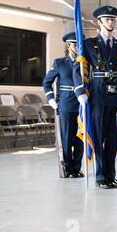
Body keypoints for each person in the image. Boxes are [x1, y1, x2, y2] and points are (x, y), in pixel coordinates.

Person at [74, 6, 117, 189]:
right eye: (107, 19)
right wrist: (80, 92)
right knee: (100, 136)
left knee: (113, 139)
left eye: (112, 19)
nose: (110, 22)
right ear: (99, 22)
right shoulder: (89, 44)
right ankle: (101, 175)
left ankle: (111, 174)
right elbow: (78, 69)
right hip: (98, 96)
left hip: (116, 96)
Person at [43, 32, 84, 178]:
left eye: (79, 44)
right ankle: (67, 167)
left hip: (81, 104)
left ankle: (77, 168)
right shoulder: (59, 63)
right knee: (66, 138)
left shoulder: (84, 62)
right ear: (68, 46)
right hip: (66, 104)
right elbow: (47, 82)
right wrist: (51, 99)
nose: (78, 47)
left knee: (80, 138)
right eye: (75, 44)